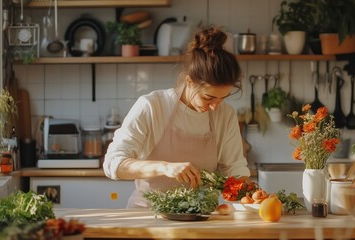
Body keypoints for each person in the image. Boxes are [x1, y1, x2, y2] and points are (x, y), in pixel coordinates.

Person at [103, 25, 251, 208]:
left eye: (222, 99)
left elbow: (235, 170)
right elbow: (113, 164)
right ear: (189, 81)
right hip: (148, 217)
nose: (214, 106)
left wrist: (252, 196)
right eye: (208, 97)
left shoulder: (225, 115)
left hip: (201, 218)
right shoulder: (152, 106)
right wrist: (165, 167)